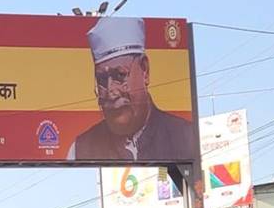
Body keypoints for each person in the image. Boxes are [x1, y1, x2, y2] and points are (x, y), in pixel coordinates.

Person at [67, 16, 196, 163]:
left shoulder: (186, 137)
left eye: (120, 75)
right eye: (102, 79)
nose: (111, 92)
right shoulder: (80, 149)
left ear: (145, 70)